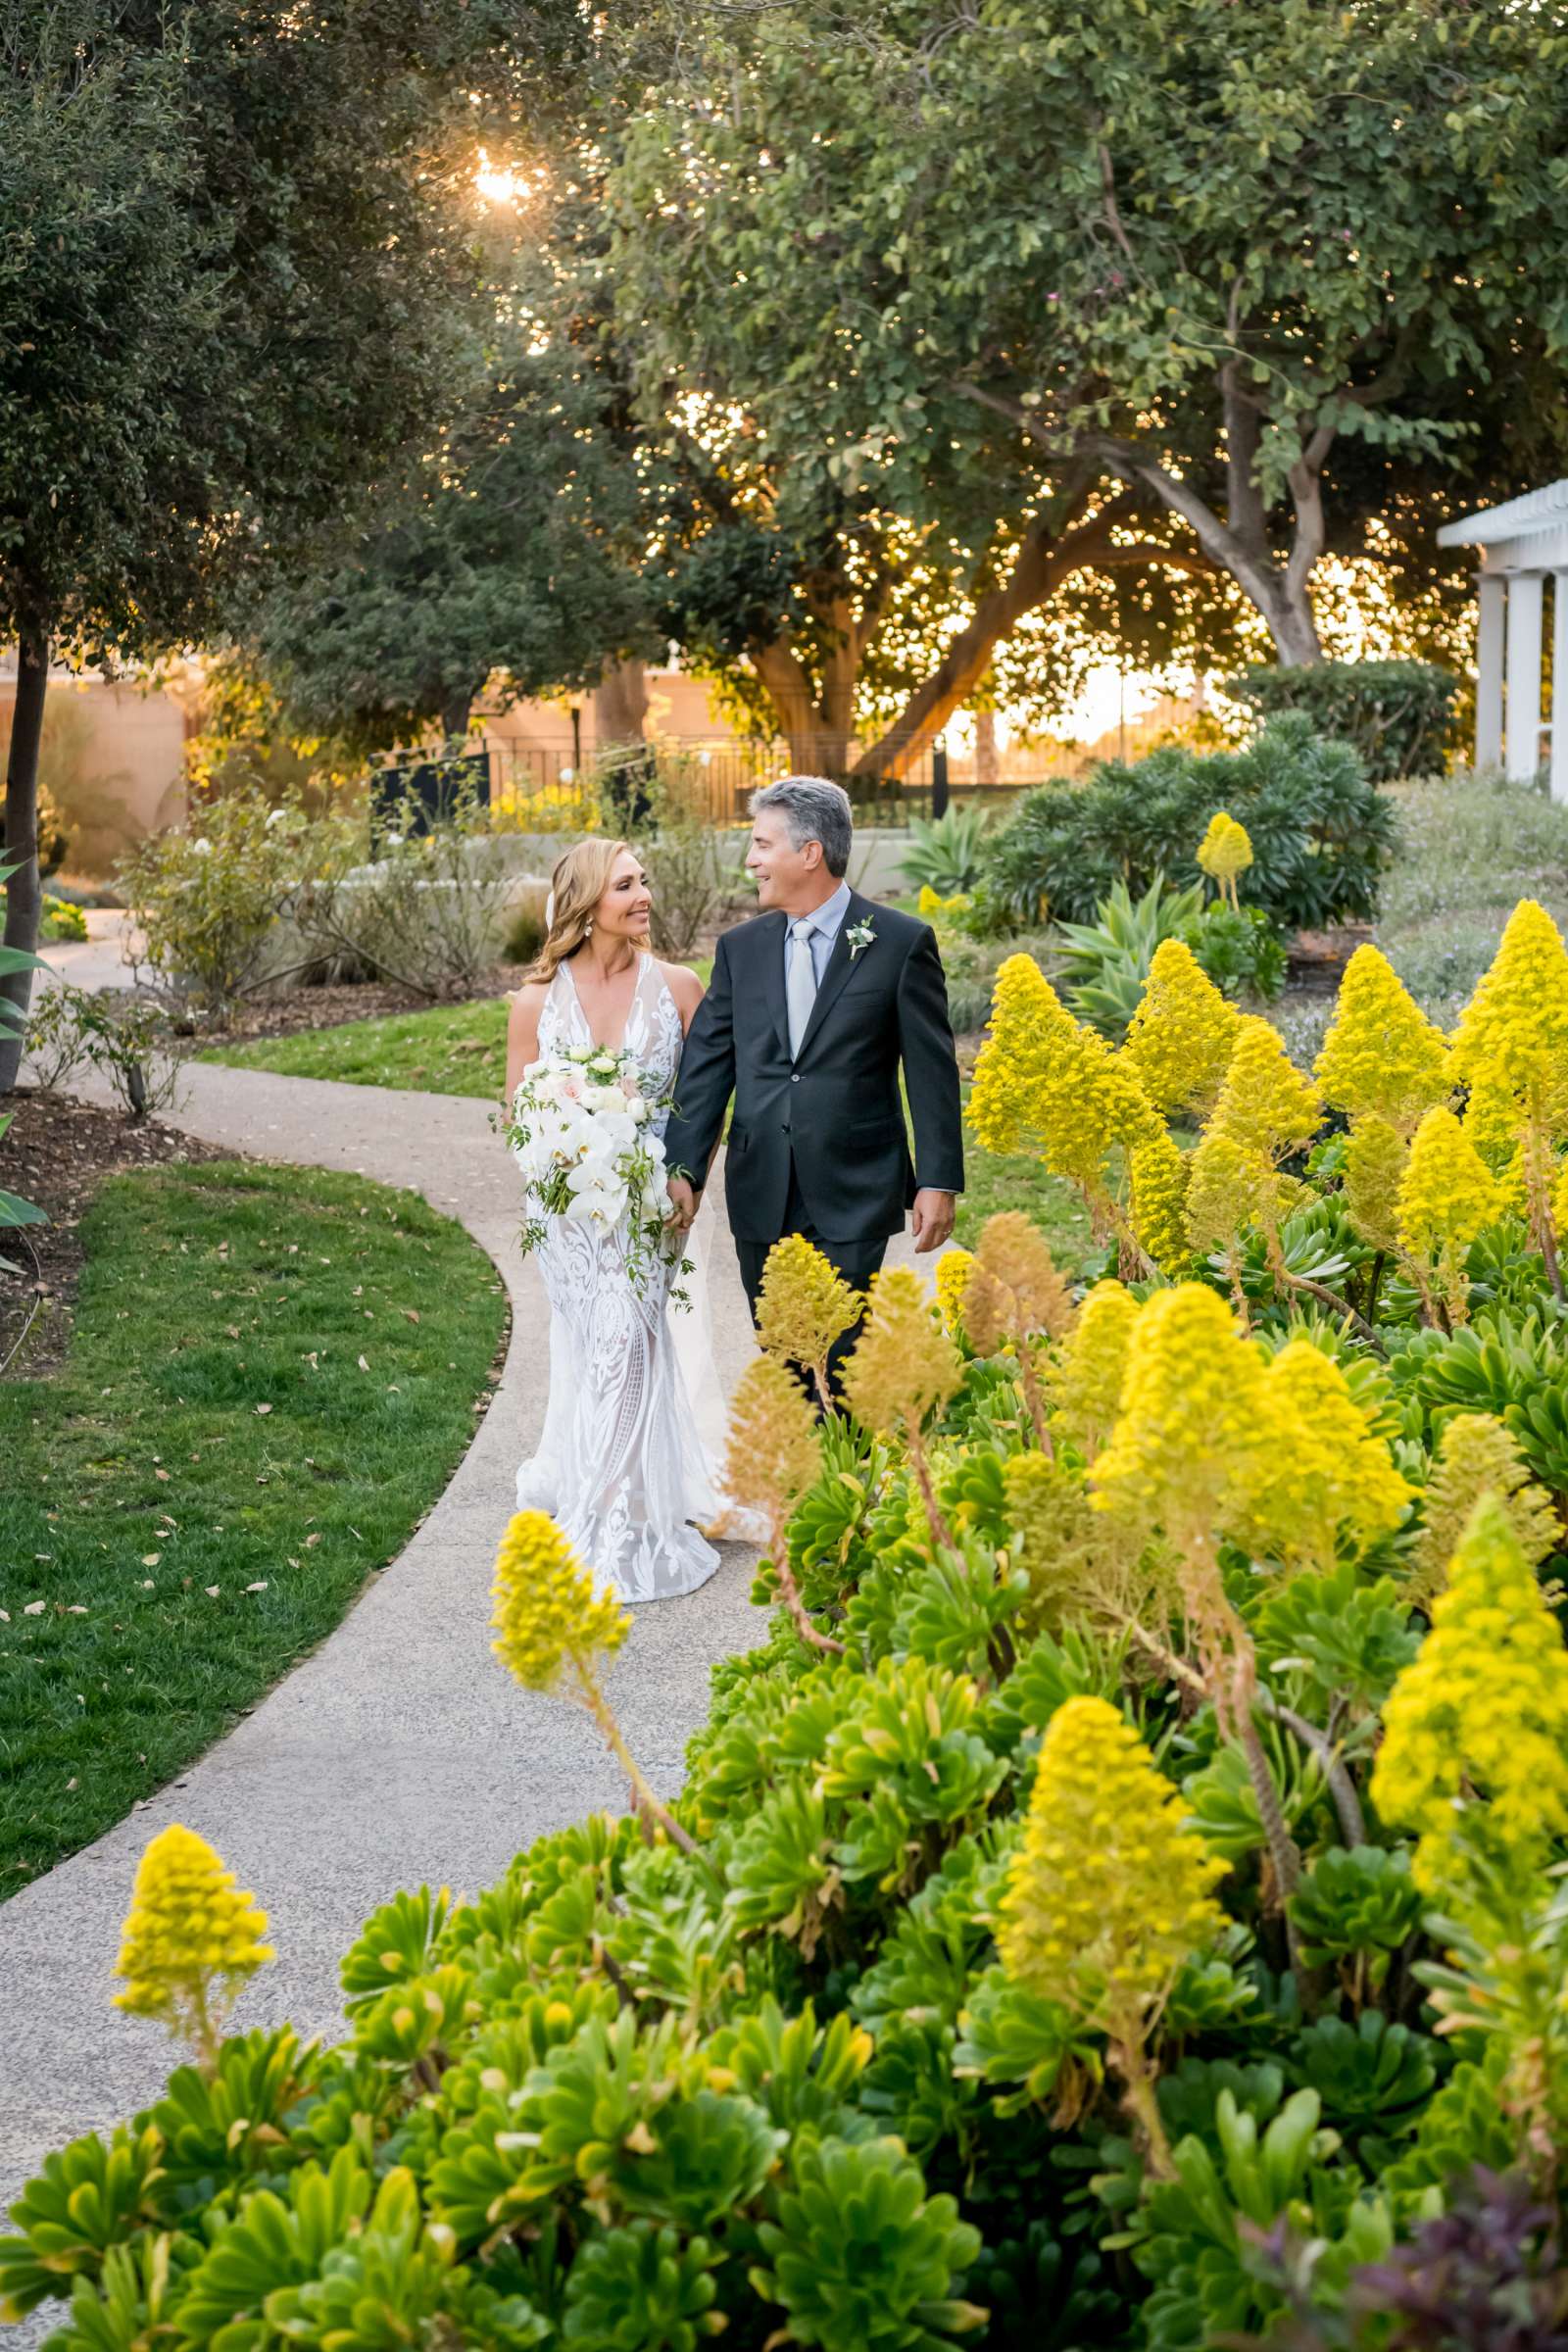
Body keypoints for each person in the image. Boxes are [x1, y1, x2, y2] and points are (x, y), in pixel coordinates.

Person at [664, 777, 964, 1387]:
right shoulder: (739, 949)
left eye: (761, 844)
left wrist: (938, 1179)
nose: (750, 860)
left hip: (854, 1186)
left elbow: (931, 1072)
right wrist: (684, 1164)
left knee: (841, 1361)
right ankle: (803, 1479)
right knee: (783, 1356)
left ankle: (843, 1472)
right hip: (761, 1185)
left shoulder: (900, 943)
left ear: (810, 853)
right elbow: (707, 1067)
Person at [505, 838, 723, 1602]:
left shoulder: (681, 987)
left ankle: (608, 1520)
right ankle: (602, 1495)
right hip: (566, 1216)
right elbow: (519, 1115)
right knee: (594, 1341)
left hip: (651, 1204)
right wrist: (568, 1153)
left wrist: (686, 1178)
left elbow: (704, 1102)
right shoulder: (536, 1001)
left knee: (630, 1339)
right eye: (625, 885)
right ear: (587, 902)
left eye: (644, 881)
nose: (644, 895)